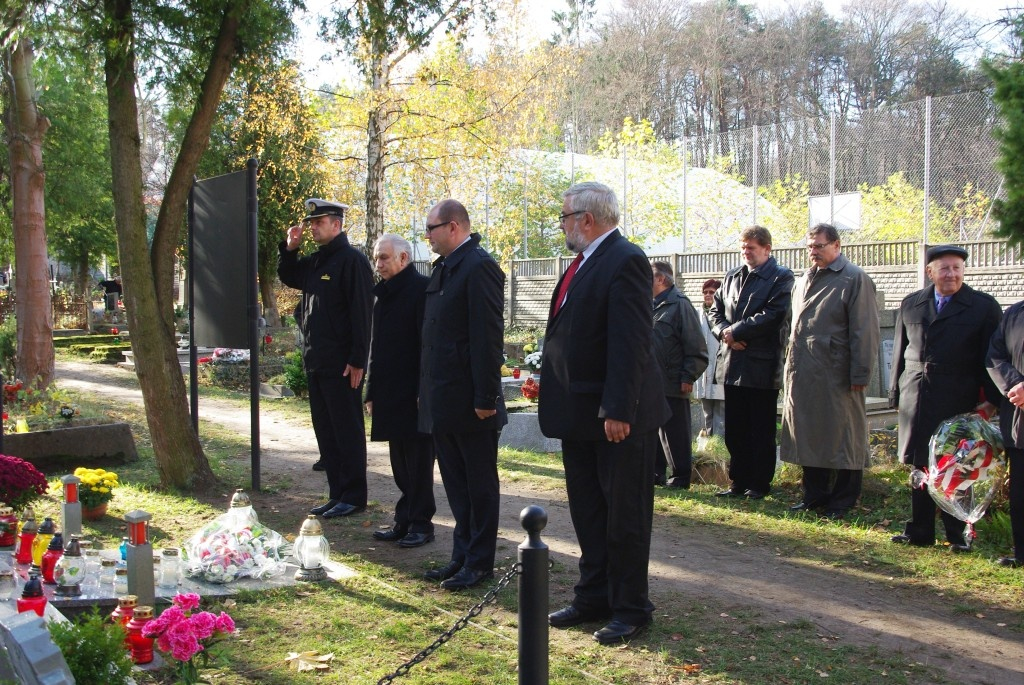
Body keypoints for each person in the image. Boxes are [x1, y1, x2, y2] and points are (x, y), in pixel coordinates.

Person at [540, 182, 670, 646]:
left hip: (617, 417)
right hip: (580, 415)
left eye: (564, 216)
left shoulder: (625, 259)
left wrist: (618, 407)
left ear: (586, 219)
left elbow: (630, 342)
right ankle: (593, 595)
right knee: (589, 513)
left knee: (624, 516)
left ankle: (631, 607)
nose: (561, 225)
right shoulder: (582, 263)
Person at [418, 199, 506, 590]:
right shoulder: (446, 268)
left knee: (479, 485)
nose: (427, 237)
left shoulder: (479, 266)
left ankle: (479, 561)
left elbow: (487, 338)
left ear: (453, 227)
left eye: (431, 228)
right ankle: (461, 555)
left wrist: (486, 397)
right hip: (444, 399)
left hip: (473, 404)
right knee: (455, 483)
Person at [889, 245, 1001, 551]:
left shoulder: (983, 307)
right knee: (919, 465)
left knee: (956, 465)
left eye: (956, 268)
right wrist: (895, 393)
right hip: (916, 395)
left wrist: (991, 400)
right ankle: (920, 530)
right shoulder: (912, 303)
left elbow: (992, 357)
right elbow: (900, 351)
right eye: (944, 268)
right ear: (930, 272)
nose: (951, 274)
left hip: (959, 397)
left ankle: (956, 535)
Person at [278, 199, 373, 519]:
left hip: (342, 364)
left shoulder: (352, 261)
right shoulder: (318, 261)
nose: (312, 227)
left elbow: (362, 313)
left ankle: (354, 495)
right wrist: (290, 249)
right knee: (326, 431)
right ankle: (337, 493)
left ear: (337, 225)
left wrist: (358, 359)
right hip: (316, 360)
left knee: (346, 430)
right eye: (311, 222)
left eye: (319, 222)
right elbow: (290, 276)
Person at [781, 223, 879, 519]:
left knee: (845, 436)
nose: (813, 252)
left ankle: (843, 499)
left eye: (819, 246)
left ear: (837, 246)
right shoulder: (803, 280)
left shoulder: (854, 278)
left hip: (837, 372)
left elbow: (865, 330)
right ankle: (814, 495)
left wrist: (860, 373)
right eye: (809, 247)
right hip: (803, 370)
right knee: (809, 433)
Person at [708, 226, 794, 499]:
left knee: (760, 429)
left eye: (752, 248)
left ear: (767, 249)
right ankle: (737, 481)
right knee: (735, 429)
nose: (746, 252)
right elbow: (714, 310)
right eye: (743, 247)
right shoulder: (732, 276)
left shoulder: (781, 277)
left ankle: (759, 484)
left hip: (761, 366)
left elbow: (774, 314)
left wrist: (738, 331)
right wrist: (725, 333)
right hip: (732, 362)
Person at [365, 234, 436, 548]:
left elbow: (428, 346)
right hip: (390, 391)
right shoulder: (384, 294)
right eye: (376, 258)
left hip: (414, 393)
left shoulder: (422, 290)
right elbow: (376, 347)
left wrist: (425, 390)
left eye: (384, 257)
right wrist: (371, 391)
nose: (378, 264)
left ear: (404, 259)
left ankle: (422, 524)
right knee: (399, 462)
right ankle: (404, 519)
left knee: (418, 462)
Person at [651, 261, 708, 488]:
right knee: (652, 429)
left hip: (674, 379)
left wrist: (688, 376)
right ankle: (656, 472)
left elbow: (696, 346)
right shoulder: (649, 304)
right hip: (651, 381)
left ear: (661, 279)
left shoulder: (680, 305)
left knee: (675, 432)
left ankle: (681, 476)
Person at [986, 299, 1024, 568]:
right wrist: (1016, 383)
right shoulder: (1015, 313)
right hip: (1018, 419)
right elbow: (994, 355)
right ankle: (1022, 553)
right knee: (1020, 492)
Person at [694, 278, 724, 437]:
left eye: (711, 292)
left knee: (721, 413)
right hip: (703, 369)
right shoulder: (697, 314)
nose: (707, 295)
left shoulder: (724, 314)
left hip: (720, 368)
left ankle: (719, 450)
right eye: (705, 292)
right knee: (707, 413)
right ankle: (708, 450)